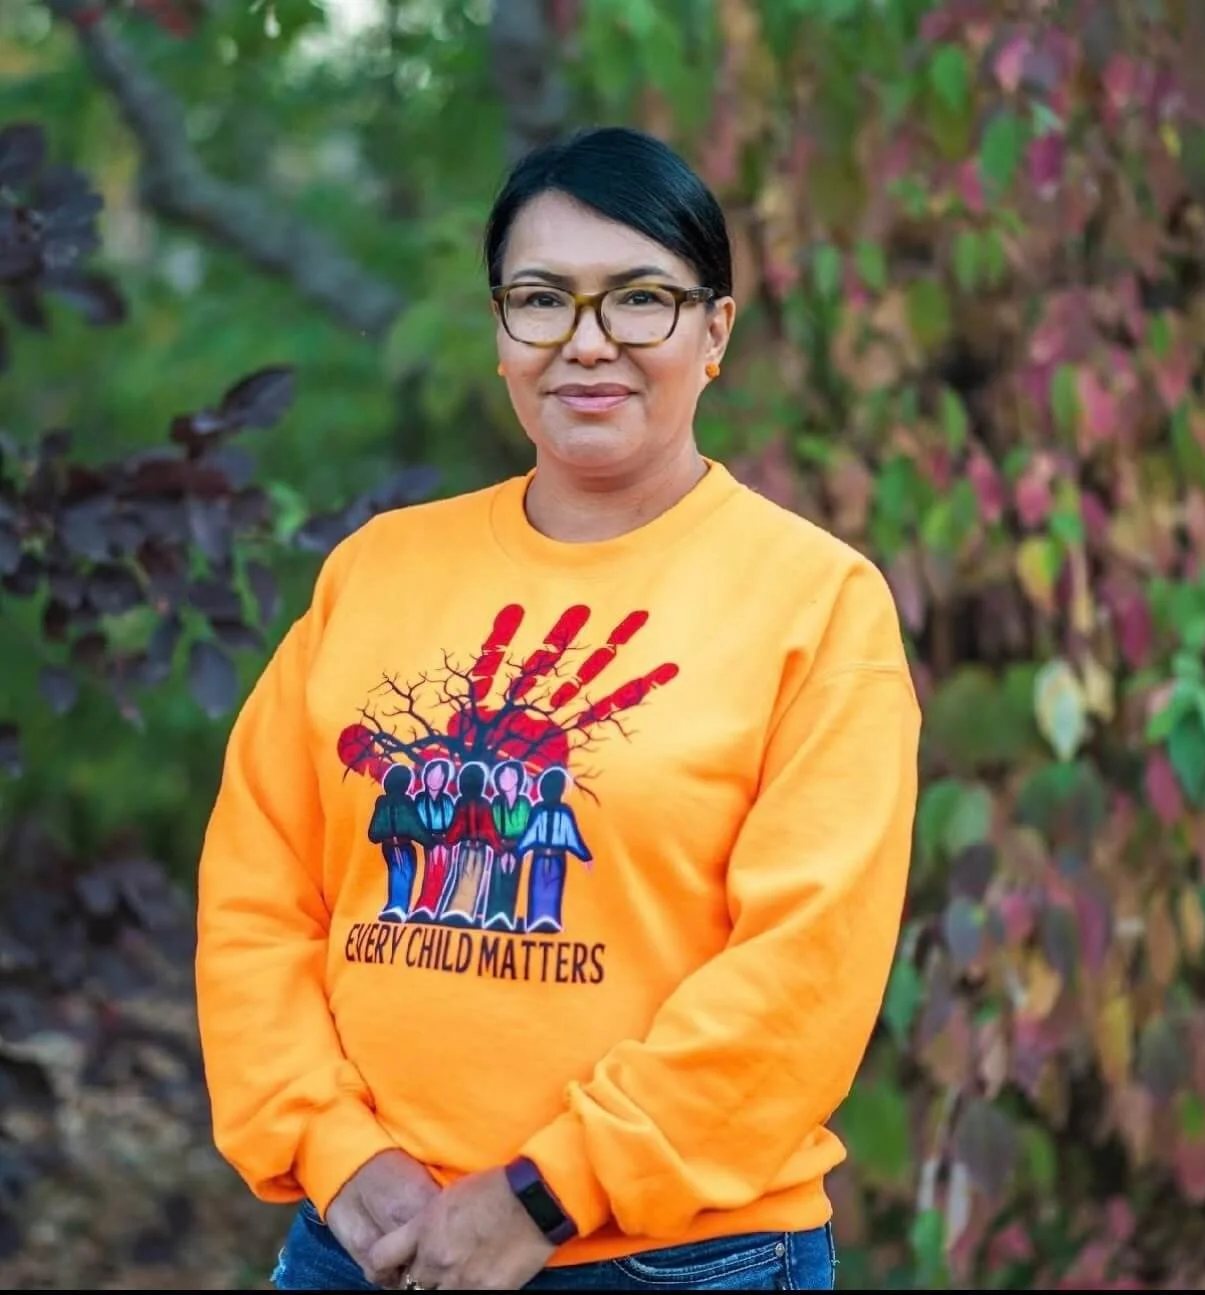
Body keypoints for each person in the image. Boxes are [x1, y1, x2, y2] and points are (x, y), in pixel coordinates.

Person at [195, 125, 921, 1293]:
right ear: (500, 331)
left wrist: (547, 1189)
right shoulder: (377, 571)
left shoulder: (815, 602)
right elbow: (257, 893)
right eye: (541, 299)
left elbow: (804, 974)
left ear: (714, 331)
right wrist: (333, 1148)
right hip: (366, 1240)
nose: (587, 341)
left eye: (640, 298)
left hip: (679, 1256)